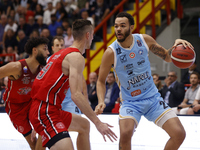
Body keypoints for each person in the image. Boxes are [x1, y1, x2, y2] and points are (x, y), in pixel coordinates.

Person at [95, 12, 193, 150]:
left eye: (122, 26)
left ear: (131, 27)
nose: (118, 29)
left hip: (152, 98)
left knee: (179, 134)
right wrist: (100, 101)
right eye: (116, 26)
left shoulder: (144, 40)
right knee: (125, 135)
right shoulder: (111, 52)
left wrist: (176, 44)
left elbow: (167, 56)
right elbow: (100, 81)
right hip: (130, 102)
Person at [29, 19, 117, 150]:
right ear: (88, 35)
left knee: (84, 125)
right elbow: (76, 94)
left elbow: (40, 84)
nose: (92, 38)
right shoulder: (76, 57)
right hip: (45, 111)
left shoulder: (59, 54)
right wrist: (98, 123)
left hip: (47, 108)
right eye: (92, 35)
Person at [0, 37, 50, 150]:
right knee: (33, 143)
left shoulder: (43, 69)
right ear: (35, 50)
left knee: (44, 132)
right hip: (15, 107)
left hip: (32, 103)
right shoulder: (16, 67)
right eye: (45, 49)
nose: (48, 52)